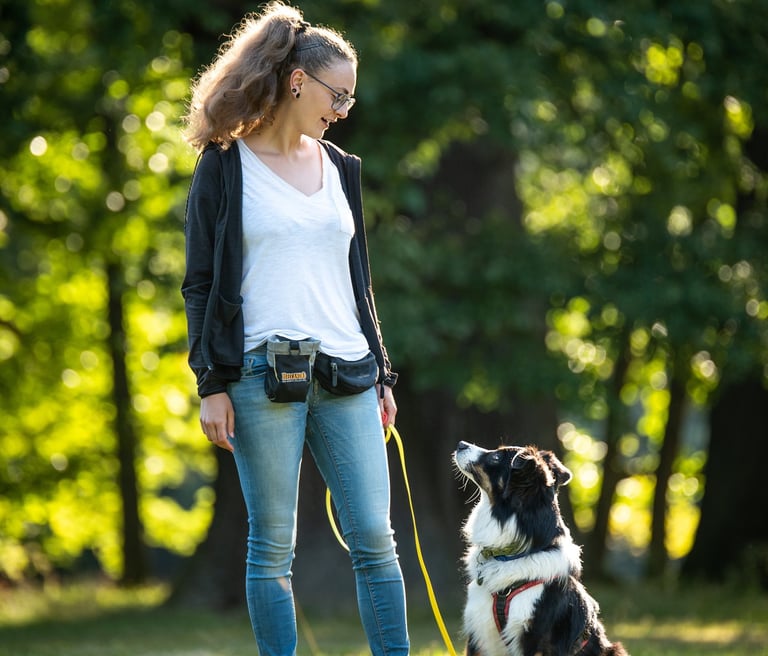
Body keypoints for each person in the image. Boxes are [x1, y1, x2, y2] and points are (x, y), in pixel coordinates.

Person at [180, 2, 409, 655]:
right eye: (339, 94)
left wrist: (383, 374)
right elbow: (199, 284)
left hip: (349, 375)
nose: (344, 109)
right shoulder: (225, 166)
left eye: (352, 98)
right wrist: (210, 383)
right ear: (298, 81)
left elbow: (356, 281)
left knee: (374, 538)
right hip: (258, 377)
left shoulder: (342, 168)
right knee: (272, 548)